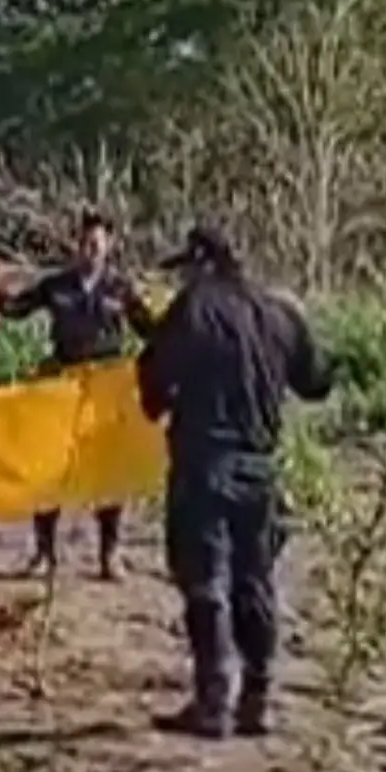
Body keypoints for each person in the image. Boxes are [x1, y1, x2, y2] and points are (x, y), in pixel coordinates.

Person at [137, 226, 334, 738]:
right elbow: (316, 381)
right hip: (260, 468)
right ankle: (259, 697)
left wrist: (162, 396)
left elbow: (153, 385)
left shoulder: (194, 309)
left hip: (205, 463)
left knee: (205, 580)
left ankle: (213, 700)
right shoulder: (278, 312)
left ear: (201, 264)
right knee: (255, 579)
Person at [0, 209, 157, 579]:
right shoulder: (56, 286)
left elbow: (149, 328)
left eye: (97, 244)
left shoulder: (121, 288)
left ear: (108, 246)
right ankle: (44, 553)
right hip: (62, 386)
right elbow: (15, 309)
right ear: (77, 245)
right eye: (85, 244)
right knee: (48, 467)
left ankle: (110, 554)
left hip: (106, 389)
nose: (91, 251)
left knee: (109, 472)